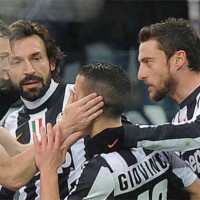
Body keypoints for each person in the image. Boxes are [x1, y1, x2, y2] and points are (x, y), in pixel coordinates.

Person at [34, 62, 200, 200]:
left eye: (75, 95)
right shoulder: (157, 149)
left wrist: (48, 170)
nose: (69, 103)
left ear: (90, 104)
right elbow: (196, 190)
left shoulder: (102, 170)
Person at [1, 19, 103, 200]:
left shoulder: (83, 100)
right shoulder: (10, 122)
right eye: (16, 61)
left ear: (52, 62)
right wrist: (65, 128)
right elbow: (12, 176)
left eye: (36, 57)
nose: (29, 70)